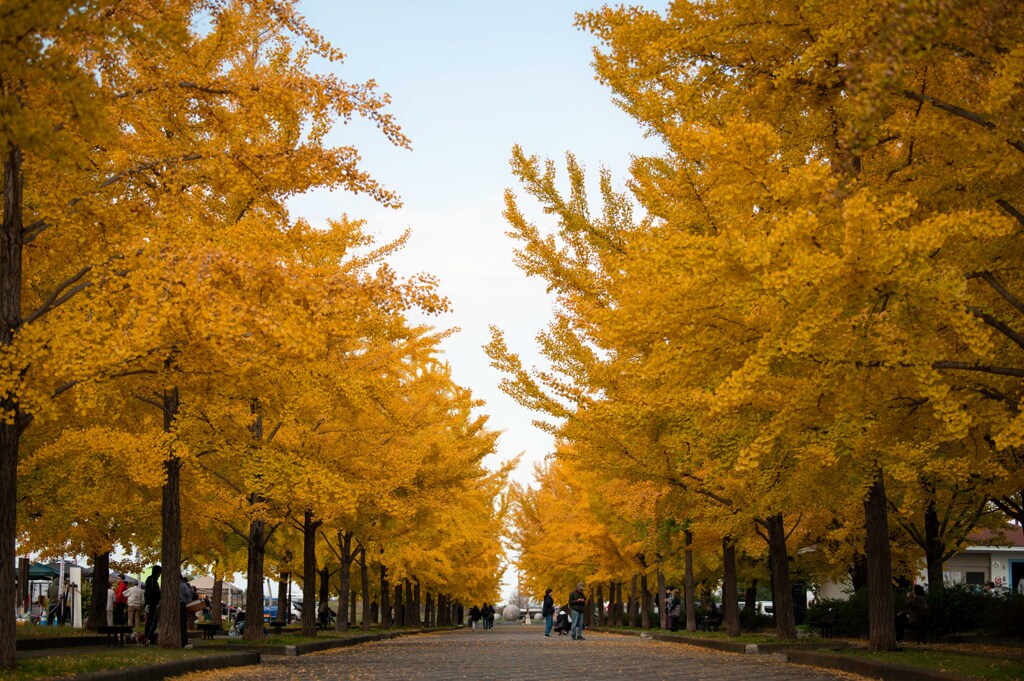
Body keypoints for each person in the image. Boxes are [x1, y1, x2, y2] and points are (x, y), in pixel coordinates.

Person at [143, 565, 161, 645]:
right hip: (152, 604)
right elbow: (154, 593)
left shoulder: (150, 580)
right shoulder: (153, 581)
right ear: (158, 573)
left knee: (151, 622)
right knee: (152, 622)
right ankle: (149, 638)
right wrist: (156, 601)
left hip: (150, 604)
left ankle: (149, 638)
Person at [179, 575, 193, 647]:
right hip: (182, 605)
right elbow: (189, 594)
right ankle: (183, 641)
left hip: (172, 605)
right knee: (183, 624)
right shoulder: (183, 585)